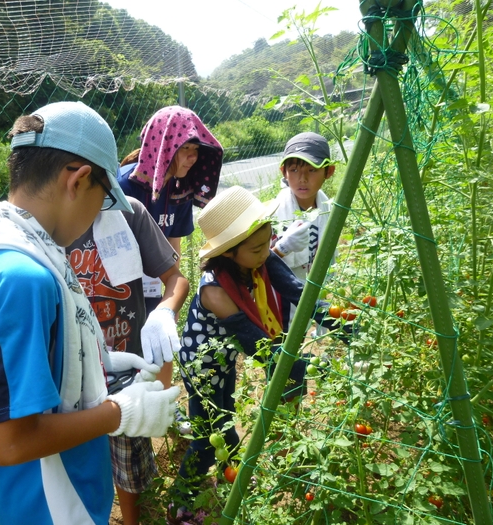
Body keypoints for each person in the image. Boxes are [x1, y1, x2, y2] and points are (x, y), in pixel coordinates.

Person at [0, 101, 180, 525]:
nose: (99, 213)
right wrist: (121, 412)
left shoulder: (13, 243)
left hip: (61, 493)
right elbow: (9, 442)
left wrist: (102, 362)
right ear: (80, 180)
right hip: (51, 506)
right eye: (103, 199)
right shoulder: (25, 278)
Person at [171, 187, 330, 518]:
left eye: (268, 241)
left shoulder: (258, 258)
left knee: (226, 417)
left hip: (224, 358)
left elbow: (297, 292)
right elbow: (253, 342)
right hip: (202, 365)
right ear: (229, 252)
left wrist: (336, 319)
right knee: (206, 435)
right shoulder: (215, 289)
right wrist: (298, 367)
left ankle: (232, 479)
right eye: (257, 248)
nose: (265, 253)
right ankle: (180, 500)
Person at [66, 196, 189, 525]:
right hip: (70, 376)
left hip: (127, 377)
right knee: (78, 460)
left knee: (129, 461)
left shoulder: (127, 212)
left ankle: (133, 518)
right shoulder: (45, 225)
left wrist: (164, 311)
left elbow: (176, 278)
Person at [117, 105, 224, 315]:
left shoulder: (181, 190)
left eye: (196, 150)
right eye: (185, 148)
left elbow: (174, 247)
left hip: (154, 287)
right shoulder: (124, 186)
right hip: (119, 289)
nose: (193, 158)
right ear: (164, 145)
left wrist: (169, 308)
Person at [271, 132, 337, 328]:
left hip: (313, 288)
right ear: (284, 171)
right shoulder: (271, 213)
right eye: (294, 170)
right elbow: (256, 264)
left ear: (329, 171)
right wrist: (281, 247)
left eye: (312, 170)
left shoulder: (328, 209)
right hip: (280, 297)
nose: (303, 179)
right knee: (286, 341)